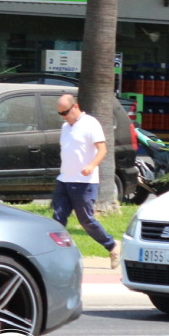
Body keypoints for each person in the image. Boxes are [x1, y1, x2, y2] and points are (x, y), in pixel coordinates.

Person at [53, 94, 119, 269]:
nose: (63, 116)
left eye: (65, 112)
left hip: (85, 182)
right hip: (65, 179)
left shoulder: (90, 123)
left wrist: (91, 166)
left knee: (86, 220)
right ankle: (58, 255)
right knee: (57, 219)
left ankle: (111, 245)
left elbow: (102, 149)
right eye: (60, 114)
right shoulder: (65, 127)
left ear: (75, 106)